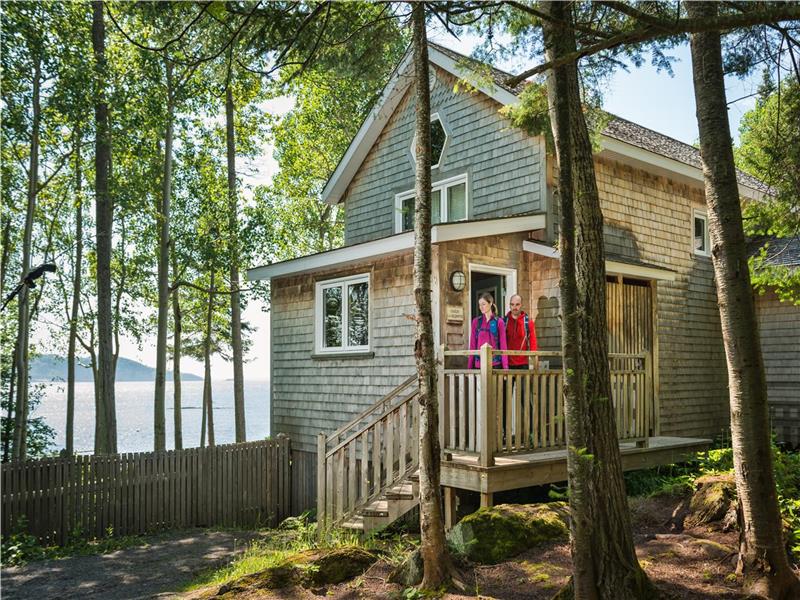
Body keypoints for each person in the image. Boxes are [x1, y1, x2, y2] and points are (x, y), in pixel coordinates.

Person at [467, 292, 509, 370]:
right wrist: (469, 367)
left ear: (490, 304)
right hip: (479, 365)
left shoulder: (499, 322)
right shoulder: (476, 322)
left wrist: (505, 367)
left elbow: (503, 345)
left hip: (495, 364)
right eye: (480, 304)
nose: (481, 307)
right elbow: (472, 345)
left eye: (483, 304)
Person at [504, 294, 538, 369]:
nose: (514, 307)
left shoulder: (528, 322)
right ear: (509, 305)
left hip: (523, 363)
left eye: (517, 304)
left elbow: (533, 343)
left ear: (522, 305)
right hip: (507, 363)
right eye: (512, 304)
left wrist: (535, 364)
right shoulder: (504, 322)